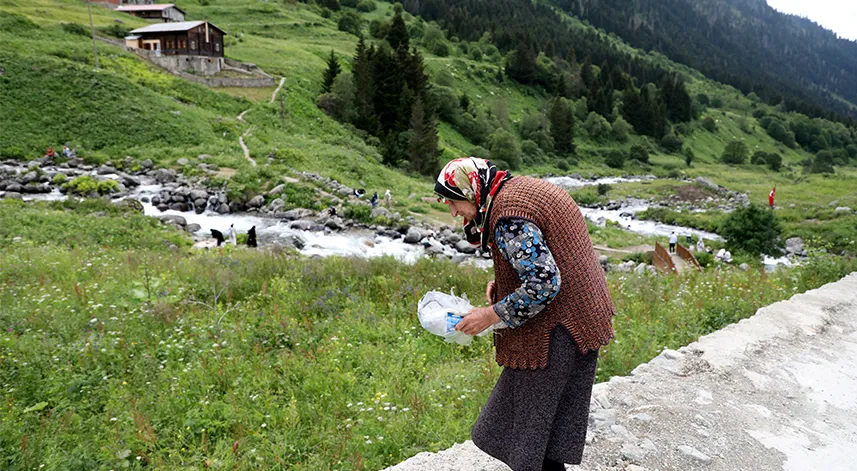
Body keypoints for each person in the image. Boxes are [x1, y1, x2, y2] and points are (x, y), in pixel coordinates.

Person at [435, 157, 615, 471]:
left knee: (527, 437)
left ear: (472, 190)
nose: (453, 212)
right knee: (542, 438)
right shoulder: (516, 189)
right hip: (582, 316)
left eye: (454, 202)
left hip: (561, 330)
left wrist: (490, 315)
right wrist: (503, 283)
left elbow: (544, 282)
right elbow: (546, 254)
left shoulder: (508, 216)